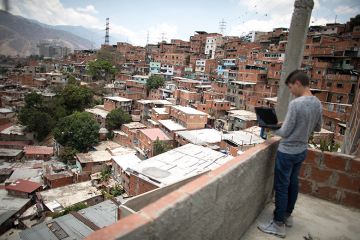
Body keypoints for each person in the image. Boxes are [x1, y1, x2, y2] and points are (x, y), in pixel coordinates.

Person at [258, 70, 322, 238]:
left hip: (287, 152)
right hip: (301, 150)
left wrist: (273, 127)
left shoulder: (296, 104)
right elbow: (317, 128)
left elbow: (285, 132)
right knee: (293, 184)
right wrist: (295, 125)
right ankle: (287, 216)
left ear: (298, 83)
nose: (291, 91)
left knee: (281, 186)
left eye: (291, 87)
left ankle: (278, 224)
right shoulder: (317, 103)